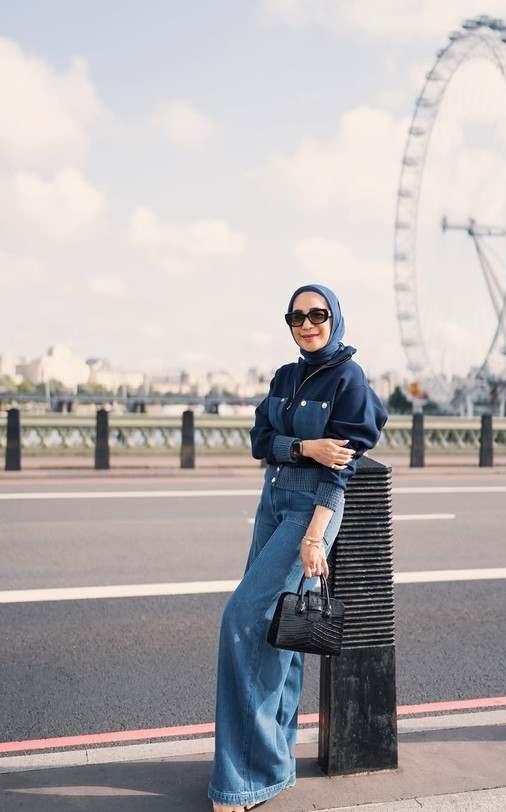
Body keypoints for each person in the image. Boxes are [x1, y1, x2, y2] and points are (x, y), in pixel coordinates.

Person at [208, 283, 387, 812]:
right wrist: (303, 445)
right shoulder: (285, 377)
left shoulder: (350, 379)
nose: (307, 324)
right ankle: (273, 764)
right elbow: (261, 441)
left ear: (336, 318)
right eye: (296, 316)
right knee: (279, 630)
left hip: (311, 511)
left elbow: (342, 469)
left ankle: (244, 780)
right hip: (272, 501)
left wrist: (315, 537)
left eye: (318, 314)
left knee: (244, 620)